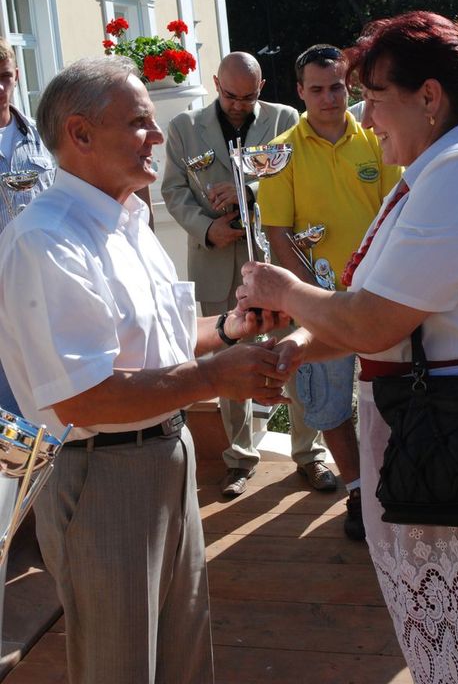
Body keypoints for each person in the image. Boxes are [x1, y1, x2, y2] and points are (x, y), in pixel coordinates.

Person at [237, 11, 458, 682]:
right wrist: (301, 345)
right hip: (437, 439)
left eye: (374, 97)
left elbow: (374, 322)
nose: (366, 118)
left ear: (429, 97)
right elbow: (378, 309)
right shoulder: (433, 171)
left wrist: (284, 291)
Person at [0, 56, 291, 684]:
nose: (158, 134)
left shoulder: (127, 219)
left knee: (182, 656)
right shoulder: (48, 239)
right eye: (138, 122)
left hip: (163, 455)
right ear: (79, 133)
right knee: (122, 666)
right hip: (102, 475)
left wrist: (233, 327)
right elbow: (84, 399)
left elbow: (165, 342)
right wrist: (216, 378)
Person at [162, 51, 327, 497]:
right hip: (218, 261)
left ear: (262, 88)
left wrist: (247, 191)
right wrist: (207, 228)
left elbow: (301, 172)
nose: (238, 105)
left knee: (297, 353)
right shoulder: (183, 127)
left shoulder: (285, 119)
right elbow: (173, 190)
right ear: (216, 84)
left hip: (280, 261)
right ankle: (238, 458)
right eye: (231, 95)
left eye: (248, 97)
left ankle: (309, 453)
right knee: (228, 360)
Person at [257, 44, 401, 538]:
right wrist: (312, 294)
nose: (328, 98)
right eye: (316, 89)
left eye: (336, 87)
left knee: (391, 396)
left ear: (349, 86)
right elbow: (278, 232)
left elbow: (395, 213)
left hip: (379, 299)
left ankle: (394, 488)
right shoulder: (279, 152)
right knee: (330, 405)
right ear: (299, 92)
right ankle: (358, 492)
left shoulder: (377, 138)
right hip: (320, 304)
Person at [0, 38, 56, 415]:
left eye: (5, 76)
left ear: (17, 76)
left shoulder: (43, 139)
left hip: (43, 286)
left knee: (48, 397)